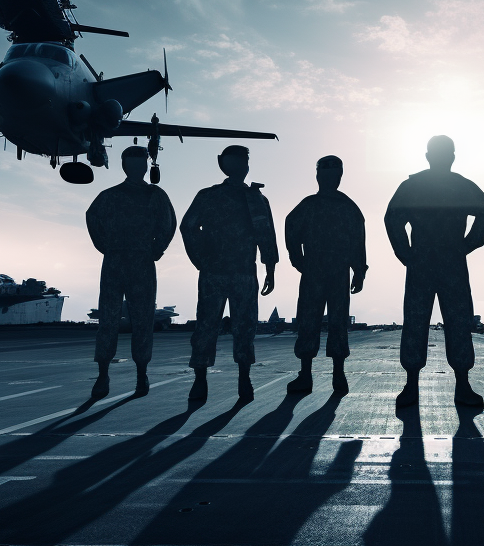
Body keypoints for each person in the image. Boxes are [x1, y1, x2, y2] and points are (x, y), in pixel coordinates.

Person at [385, 135, 484, 408]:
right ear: (451, 157)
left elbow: (392, 219)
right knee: (439, 322)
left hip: (428, 262)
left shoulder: (415, 186)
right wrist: (467, 245)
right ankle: (439, 385)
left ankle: (427, 385)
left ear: (428, 156)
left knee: (430, 322)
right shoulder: (458, 186)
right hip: (444, 262)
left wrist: (406, 253)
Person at [180, 145, 278, 403]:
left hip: (233, 272)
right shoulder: (219, 196)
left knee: (218, 326)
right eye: (242, 162)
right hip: (230, 272)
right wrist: (270, 266)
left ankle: (211, 380)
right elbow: (188, 227)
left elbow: (266, 234)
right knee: (229, 327)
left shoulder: (251, 198)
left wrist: (201, 258)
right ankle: (232, 379)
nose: (244, 167)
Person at [85, 146, 177, 400]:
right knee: (108, 319)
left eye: (141, 163)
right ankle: (103, 374)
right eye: (132, 163)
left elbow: (169, 222)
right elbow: (92, 219)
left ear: (146, 166)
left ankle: (141, 373)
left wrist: (156, 249)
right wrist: (106, 247)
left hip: (142, 261)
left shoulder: (155, 195)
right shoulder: (109, 196)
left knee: (143, 320)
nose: (137, 168)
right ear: (124, 166)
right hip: (115, 262)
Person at [284, 155, 367, 396]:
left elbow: (357, 242)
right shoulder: (334, 206)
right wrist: (358, 270)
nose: (330, 179)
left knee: (329, 323)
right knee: (317, 322)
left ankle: (325, 374)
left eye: (333, 175)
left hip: (325, 273)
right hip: (321, 273)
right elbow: (292, 229)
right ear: (320, 176)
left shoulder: (334, 206)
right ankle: (322, 375)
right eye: (327, 175)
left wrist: (359, 269)